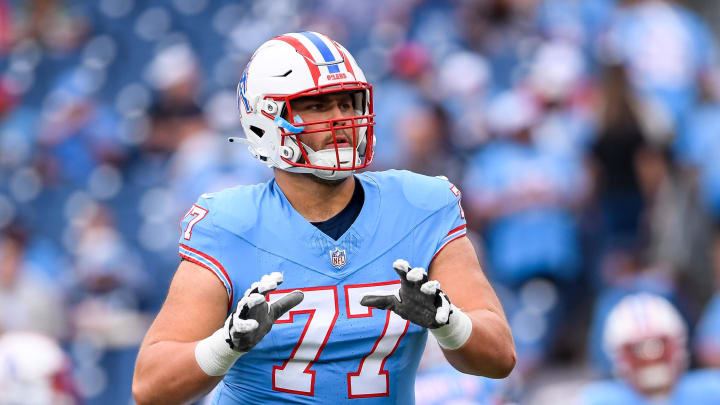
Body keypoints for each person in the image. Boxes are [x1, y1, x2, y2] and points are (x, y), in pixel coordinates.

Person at [132, 31, 515, 404]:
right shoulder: (230, 224)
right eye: (318, 106)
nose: (342, 119)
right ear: (266, 119)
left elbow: (500, 357)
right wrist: (227, 344)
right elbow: (150, 387)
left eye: (348, 103)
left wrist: (447, 323)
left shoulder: (420, 205)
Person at [578, 292, 720, 405]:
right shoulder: (599, 399)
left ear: (679, 344)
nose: (650, 356)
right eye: (636, 349)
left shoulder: (711, 392)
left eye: (659, 344)